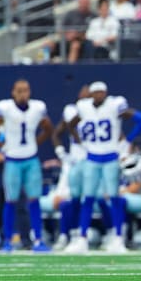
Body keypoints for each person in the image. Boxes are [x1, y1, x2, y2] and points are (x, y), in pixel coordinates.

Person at [64, 81, 141, 254]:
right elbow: (70, 125)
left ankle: (118, 237)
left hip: (111, 157)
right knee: (88, 198)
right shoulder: (83, 107)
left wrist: (127, 140)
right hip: (92, 157)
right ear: (91, 94)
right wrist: (81, 141)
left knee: (114, 198)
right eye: (96, 92)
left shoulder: (115, 105)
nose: (99, 95)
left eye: (102, 92)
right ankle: (82, 238)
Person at [0, 79, 54, 252]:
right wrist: (3, 147)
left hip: (31, 158)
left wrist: (35, 143)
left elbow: (48, 128)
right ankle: (7, 240)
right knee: (11, 200)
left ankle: (38, 239)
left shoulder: (37, 107)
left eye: (26, 90)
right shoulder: (5, 108)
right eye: (19, 90)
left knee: (34, 200)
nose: (23, 94)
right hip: (13, 159)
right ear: (13, 92)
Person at [51, 85, 90, 250]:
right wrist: (60, 152)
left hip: (93, 161)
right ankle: (68, 234)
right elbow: (57, 132)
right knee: (71, 199)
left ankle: (110, 234)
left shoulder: (102, 111)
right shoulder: (72, 111)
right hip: (74, 161)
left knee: (92, 198)